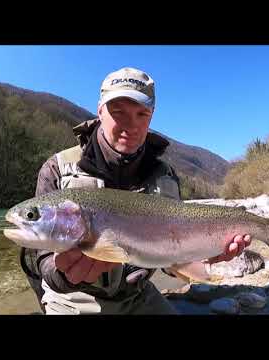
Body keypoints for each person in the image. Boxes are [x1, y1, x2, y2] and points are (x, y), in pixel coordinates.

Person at [20, 67, 252, 314]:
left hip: (138, 295)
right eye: (118, 112)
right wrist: (64, 275)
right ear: (100, 111)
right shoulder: (56, 169)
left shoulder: (166, 177)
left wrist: (206, 251)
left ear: (151, 116)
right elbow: (41, 259)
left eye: (141, 113)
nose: (130, 125)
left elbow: (169, 259)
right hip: (74, 299)